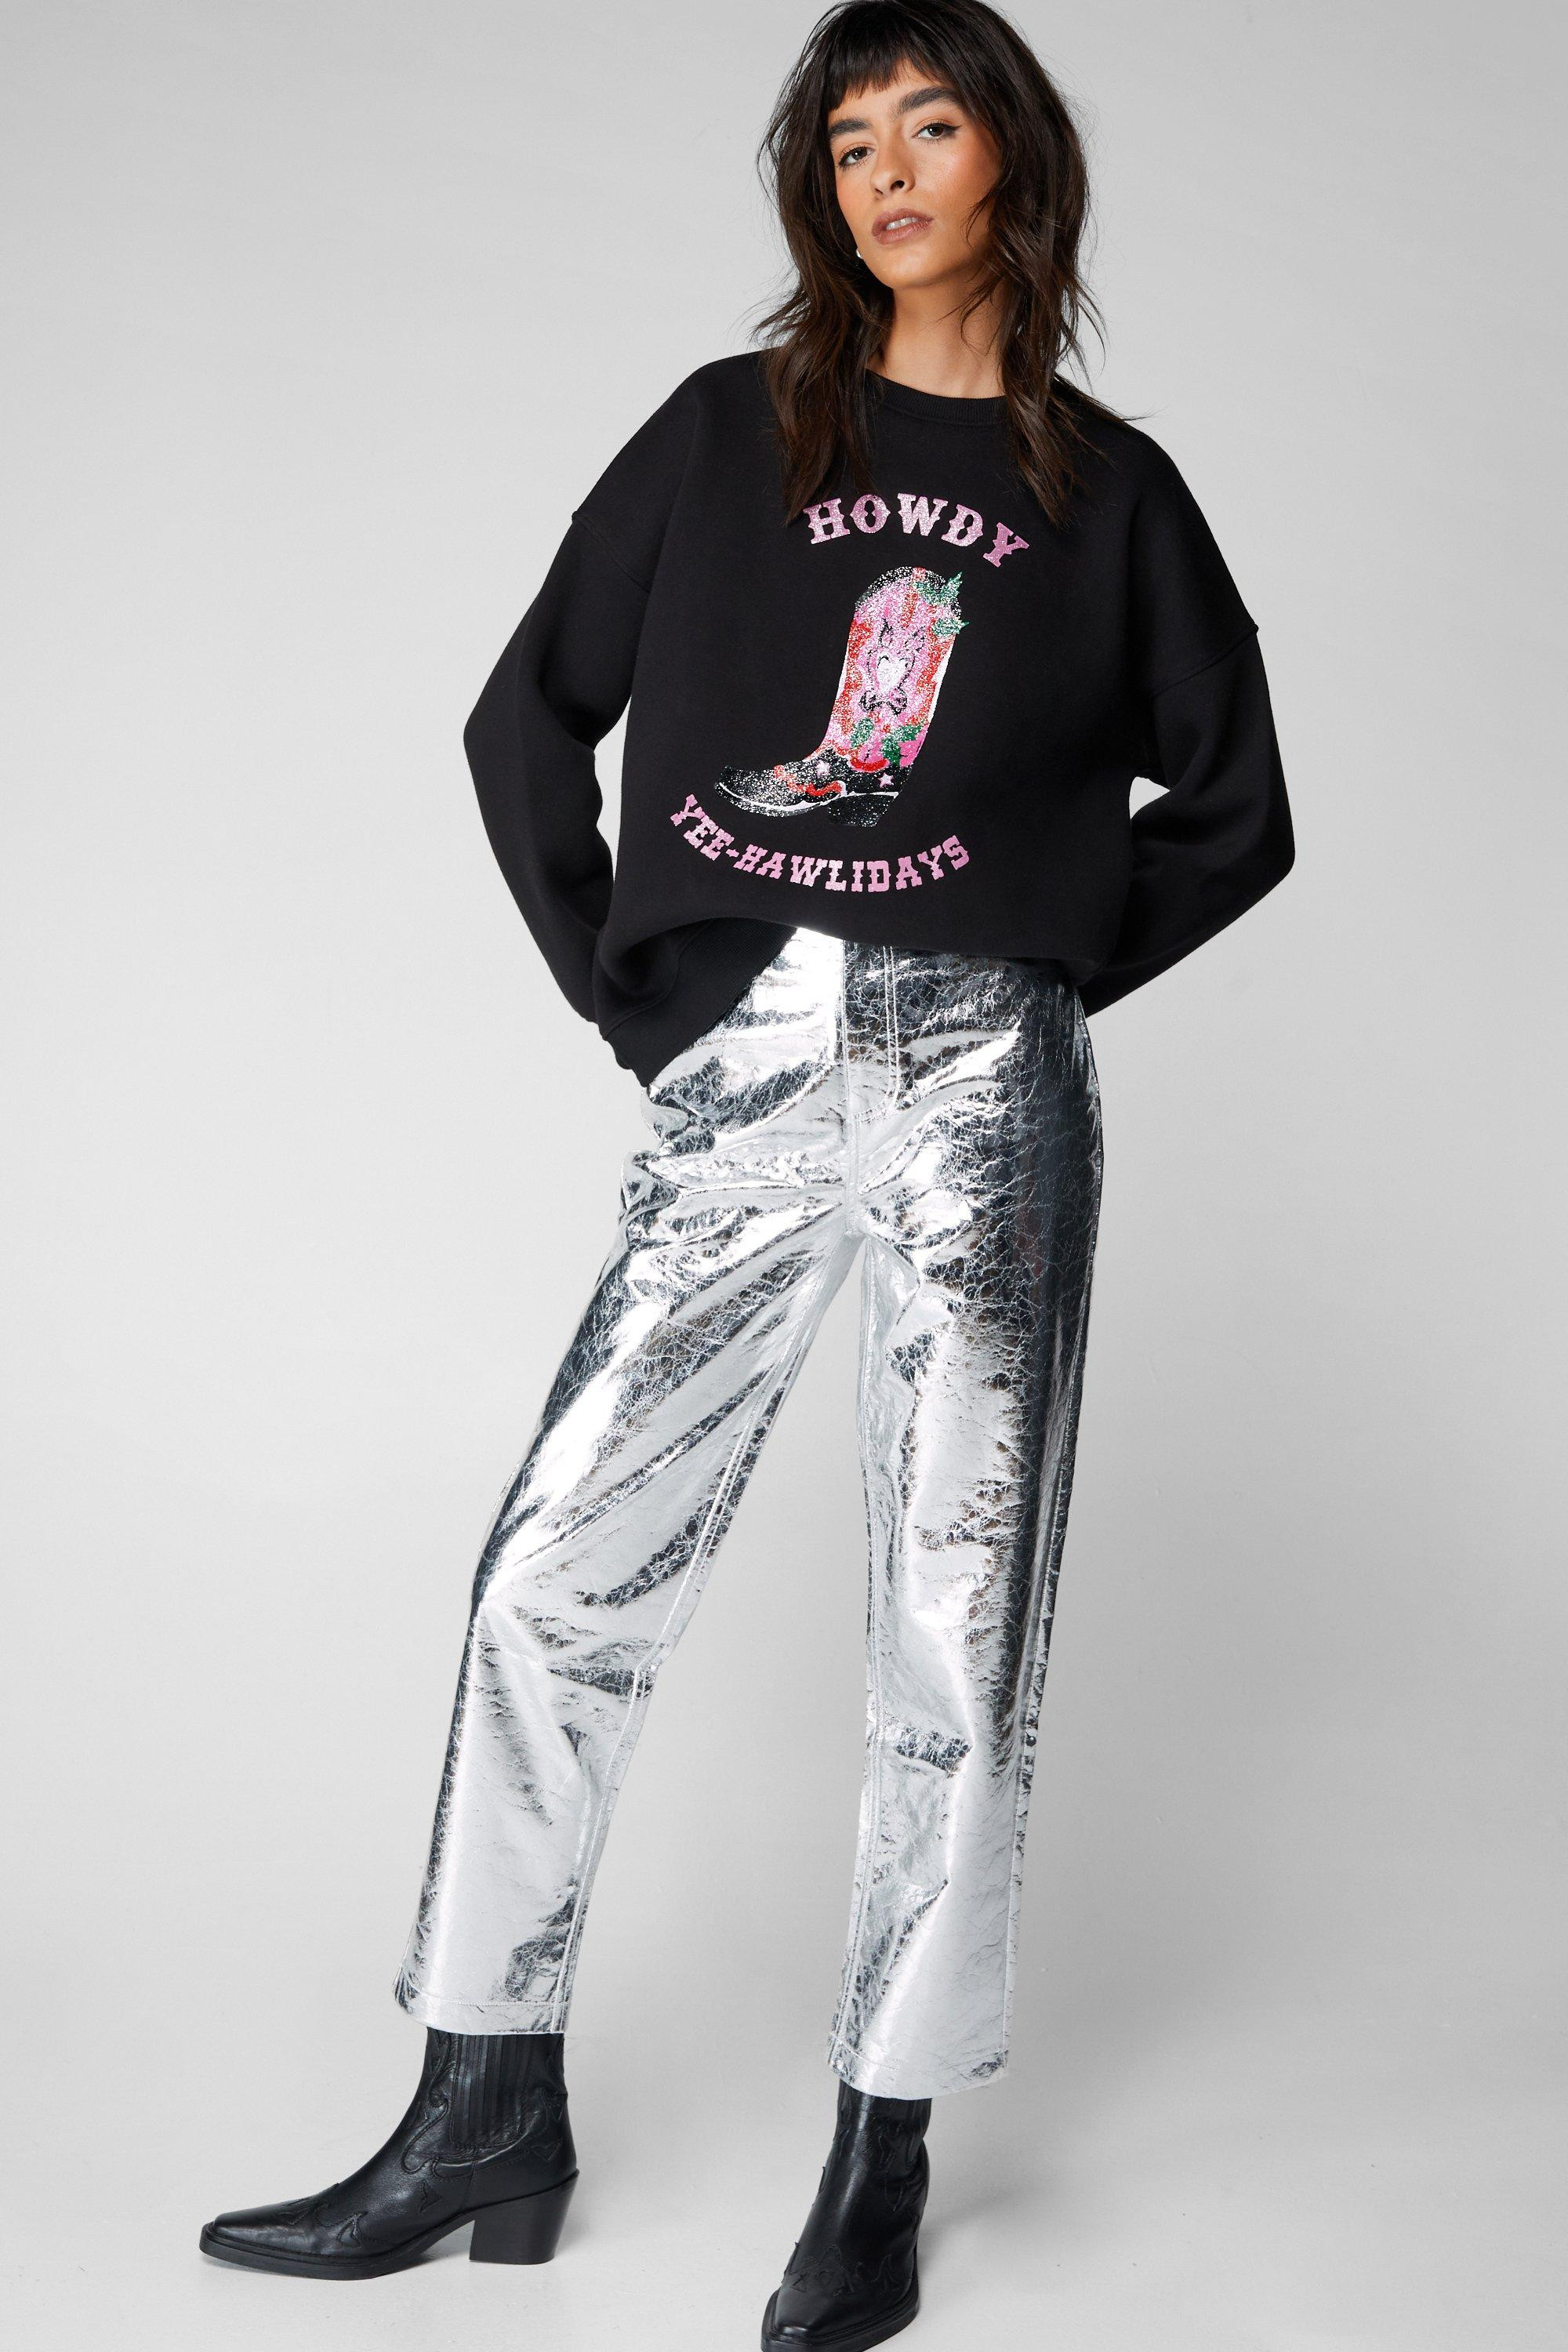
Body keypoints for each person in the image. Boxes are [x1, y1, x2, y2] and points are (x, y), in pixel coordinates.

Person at [198, 2, 1294, 2343]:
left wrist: (1037, 960)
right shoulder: (731, 432)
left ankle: (880, 2153)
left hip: (991, 1081)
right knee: (555, 1574)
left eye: (929, 125)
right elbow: (524, 719)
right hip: (752, 1058)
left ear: (1015, 162)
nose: (884, 171)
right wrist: (653, 1003)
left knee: (955, 1627)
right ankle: (482, 2099)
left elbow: (1239, 811)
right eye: (846, 139)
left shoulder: (1112, 494)